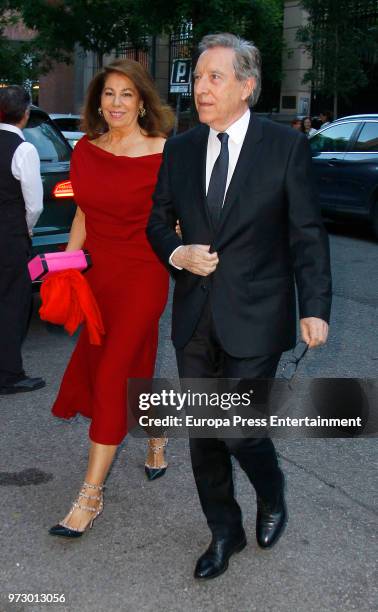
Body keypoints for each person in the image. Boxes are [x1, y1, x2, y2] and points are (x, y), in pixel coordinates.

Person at [147, 33, 332, 580]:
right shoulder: (179, 149)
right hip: (194, 315)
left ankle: (271, 493)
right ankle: (224, 531)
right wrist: (178, 252)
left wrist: (315, 304)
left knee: (240, 429)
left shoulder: (284, 147)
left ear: (246, 87)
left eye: (214, 78)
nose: (200, 88)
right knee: (204, 434)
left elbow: (307, 233)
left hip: (258, 313)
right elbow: (157, 221)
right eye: (198, 77)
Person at [49, 59, 174, 538]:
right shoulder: (86, 150)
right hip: (98, 274)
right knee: (133, 362)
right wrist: (65, 264)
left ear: (143, 100)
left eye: (126, 94)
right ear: (97, 101)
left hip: (143, 274)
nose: (116, 103)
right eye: (108, 94)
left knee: (112, 370)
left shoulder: (165, 151)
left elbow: (180, 213)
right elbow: (83, 212)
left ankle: (89, 496)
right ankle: (157, 434)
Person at [0, 85, 45, 394]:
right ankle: (9, 374)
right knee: (13, 304)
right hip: (9, 237)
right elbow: (35, 205)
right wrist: (26, 228)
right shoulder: (23, 148)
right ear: (25, 115)